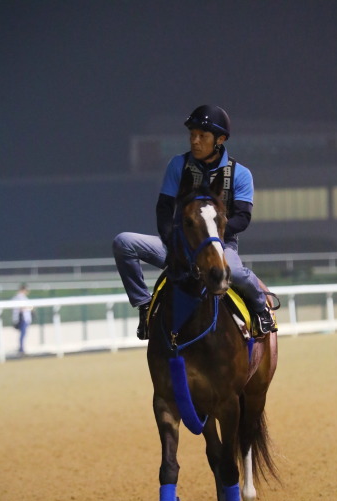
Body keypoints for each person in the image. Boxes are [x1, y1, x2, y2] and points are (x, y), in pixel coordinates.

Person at [113, 104, 276, 340]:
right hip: (180, 245)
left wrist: (209, 236)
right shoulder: (177, 165)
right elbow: (164, 209)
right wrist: (172, 241)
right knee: (123, 243)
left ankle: (261, 309)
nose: (195, 141)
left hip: (221, 246)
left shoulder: (241, 174)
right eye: (192, 135)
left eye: (202, 136)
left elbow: (242, 218)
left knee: (237, 275)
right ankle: (144, 305)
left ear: (220, 139)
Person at [12, 284, 33, 354]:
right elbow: (22, 308)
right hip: (22, 319)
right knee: (22, 334)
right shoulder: (19, 297)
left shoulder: (20, 297)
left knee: (23, 334)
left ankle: (21, 348)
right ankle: (21, 349)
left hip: (23, 318)